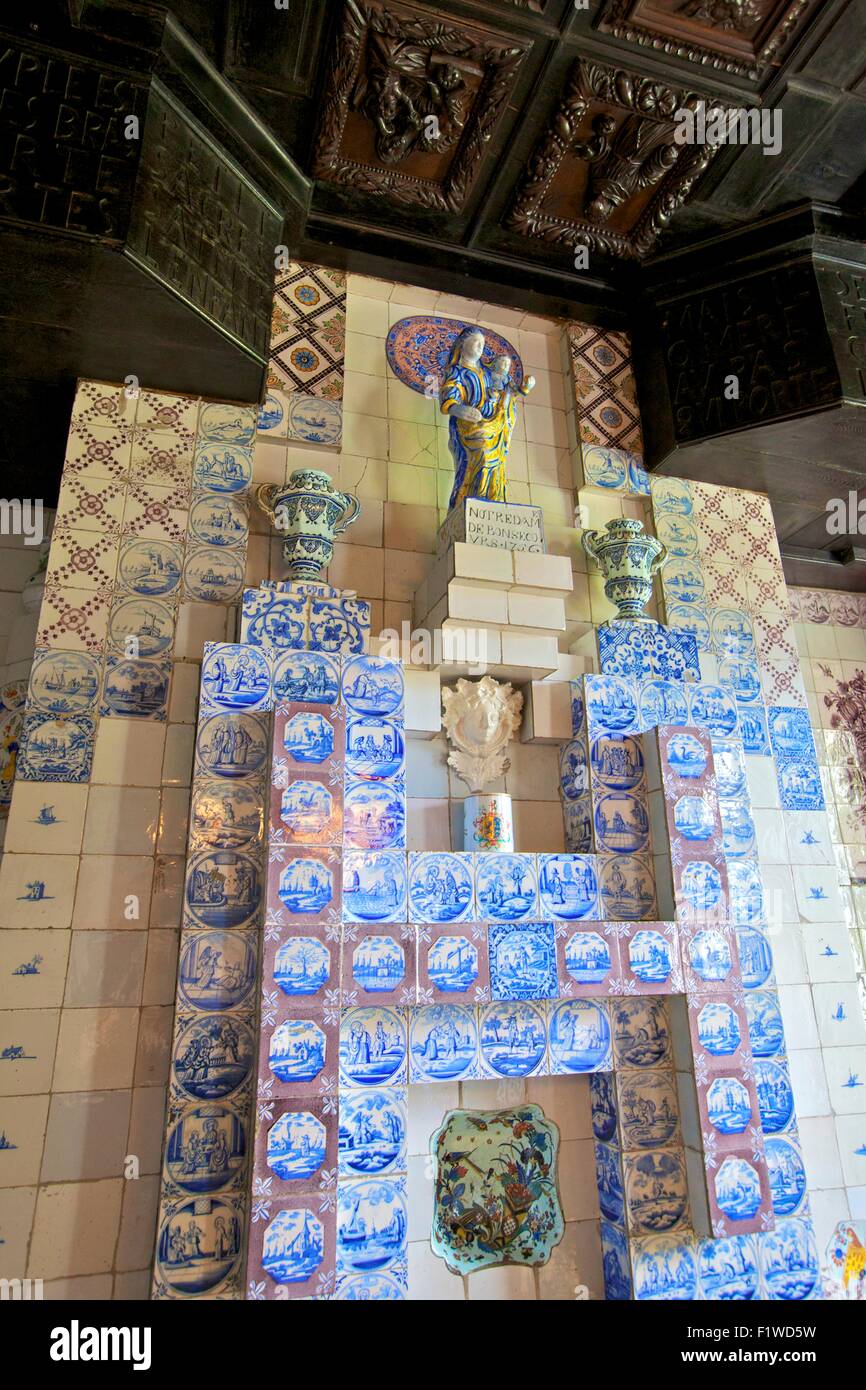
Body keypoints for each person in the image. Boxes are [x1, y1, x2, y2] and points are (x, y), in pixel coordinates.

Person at [440, 327, 535, 509]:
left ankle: (493, 501)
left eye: (483, 343)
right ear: (463, 344)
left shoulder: (488, 371)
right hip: (470, 427)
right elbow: (449, 393)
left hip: (495, 424)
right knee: (481, 456)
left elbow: (506, 389)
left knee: (497, 463)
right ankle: (471, 500)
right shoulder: (457, 371)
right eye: (476, 342)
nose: (481, 346)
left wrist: (523, 389)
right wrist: (458, 409)